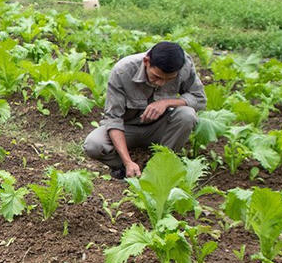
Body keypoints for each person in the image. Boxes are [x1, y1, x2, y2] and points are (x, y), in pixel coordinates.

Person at [84, 41, 206, 180]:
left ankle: (160, 166)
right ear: (146, 61)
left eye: (168, 79)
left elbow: (199, 99)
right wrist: (127, 161)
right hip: (127, 127)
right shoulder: (123, 70)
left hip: (160, 127)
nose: (161, 83)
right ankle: (126, 167)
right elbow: (113, 119)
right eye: (157, 77)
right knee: (93, 144)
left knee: (187, 115)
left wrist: (166, 103)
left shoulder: (184, 65)